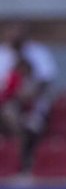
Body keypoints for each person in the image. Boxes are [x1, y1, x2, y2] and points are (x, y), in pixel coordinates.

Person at [0, 23, 57, 166]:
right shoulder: (2, 53)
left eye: (17, 31)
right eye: (10, 31)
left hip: (35, 102)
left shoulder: (38, 51)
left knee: (32, 122)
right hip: (7, 104)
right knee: (9, 112)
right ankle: (20, 153)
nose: (14, 35)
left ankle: (27, 157)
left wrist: (29, 95)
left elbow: (47, 79)